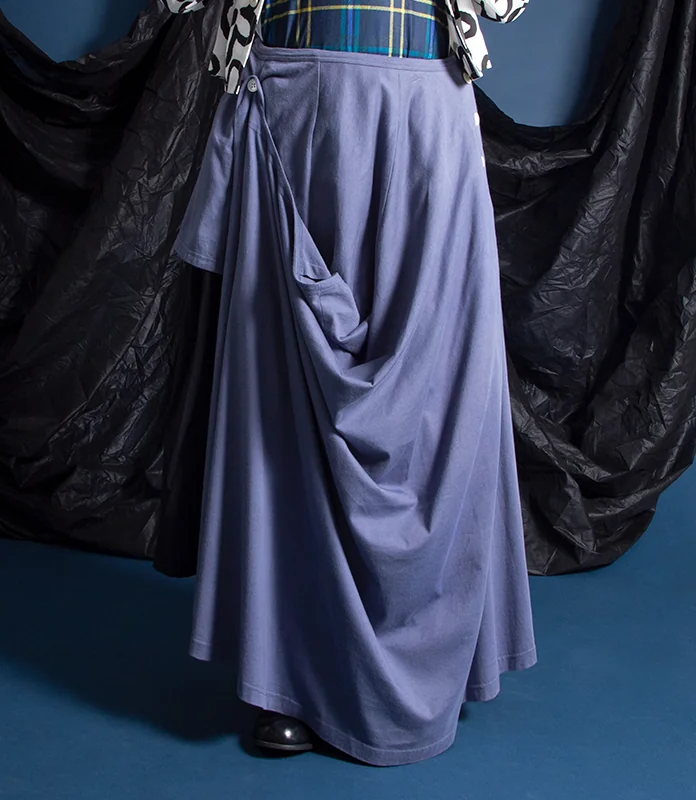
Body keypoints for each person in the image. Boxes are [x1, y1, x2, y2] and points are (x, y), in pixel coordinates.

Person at [162, 0, 536, 766]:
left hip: (425, 100)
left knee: (436, 388)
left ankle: (431, 651)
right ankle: (285, 677)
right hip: (297, 97)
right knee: (285, 394)